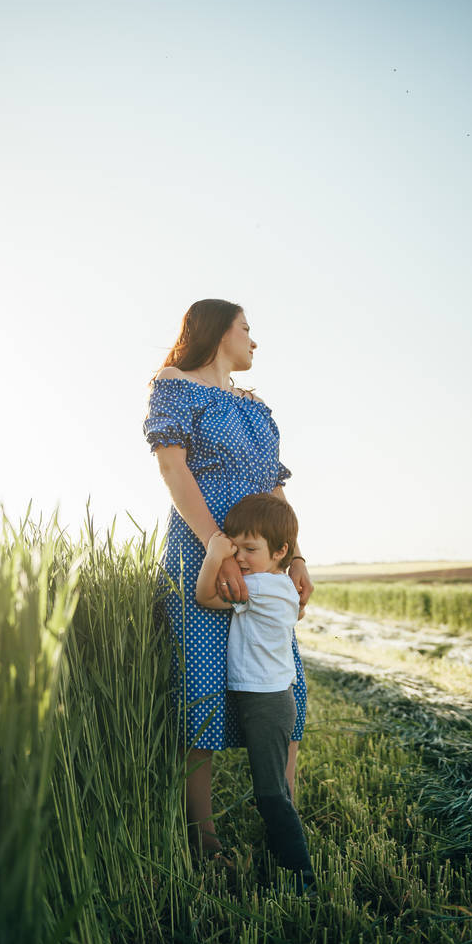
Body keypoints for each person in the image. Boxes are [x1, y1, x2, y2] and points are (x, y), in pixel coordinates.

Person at [142, 298, 313, 864]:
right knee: (203, 692)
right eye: (246, 328)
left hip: (263, 562)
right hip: (202, 555)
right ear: (218, 331)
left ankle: (283, 823)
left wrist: (296, 556)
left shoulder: (257, 409)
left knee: (286, 687)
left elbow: (274, 490)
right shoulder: (174, 385)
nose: (254, 341)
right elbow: (172, 467)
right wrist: (220, 548)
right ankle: (204, 840)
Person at [195, 493, 315, 894]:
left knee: (270, 793)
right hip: (271, 699)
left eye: (250, 549)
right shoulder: (281, 585)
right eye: (236, 548)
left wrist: (215, 554)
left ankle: (301, 876)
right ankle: (288, 861)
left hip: (265, 703)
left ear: (280, 552)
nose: (241, 558)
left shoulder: (259, 587)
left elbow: (204, 596)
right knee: (273, 789)